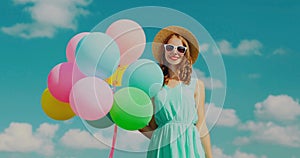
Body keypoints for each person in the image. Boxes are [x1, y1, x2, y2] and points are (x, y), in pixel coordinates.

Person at [139, 26, 213, 158]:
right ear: (164, 51)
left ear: (186, 53)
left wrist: (210, 156)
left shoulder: (197, 85)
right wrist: (135, 122)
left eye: (180, 49)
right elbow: (152, 126)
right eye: (169, 47)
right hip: (162, 148)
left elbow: (201, 124)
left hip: (190, 148)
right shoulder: (155, 86)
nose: (175, 52)